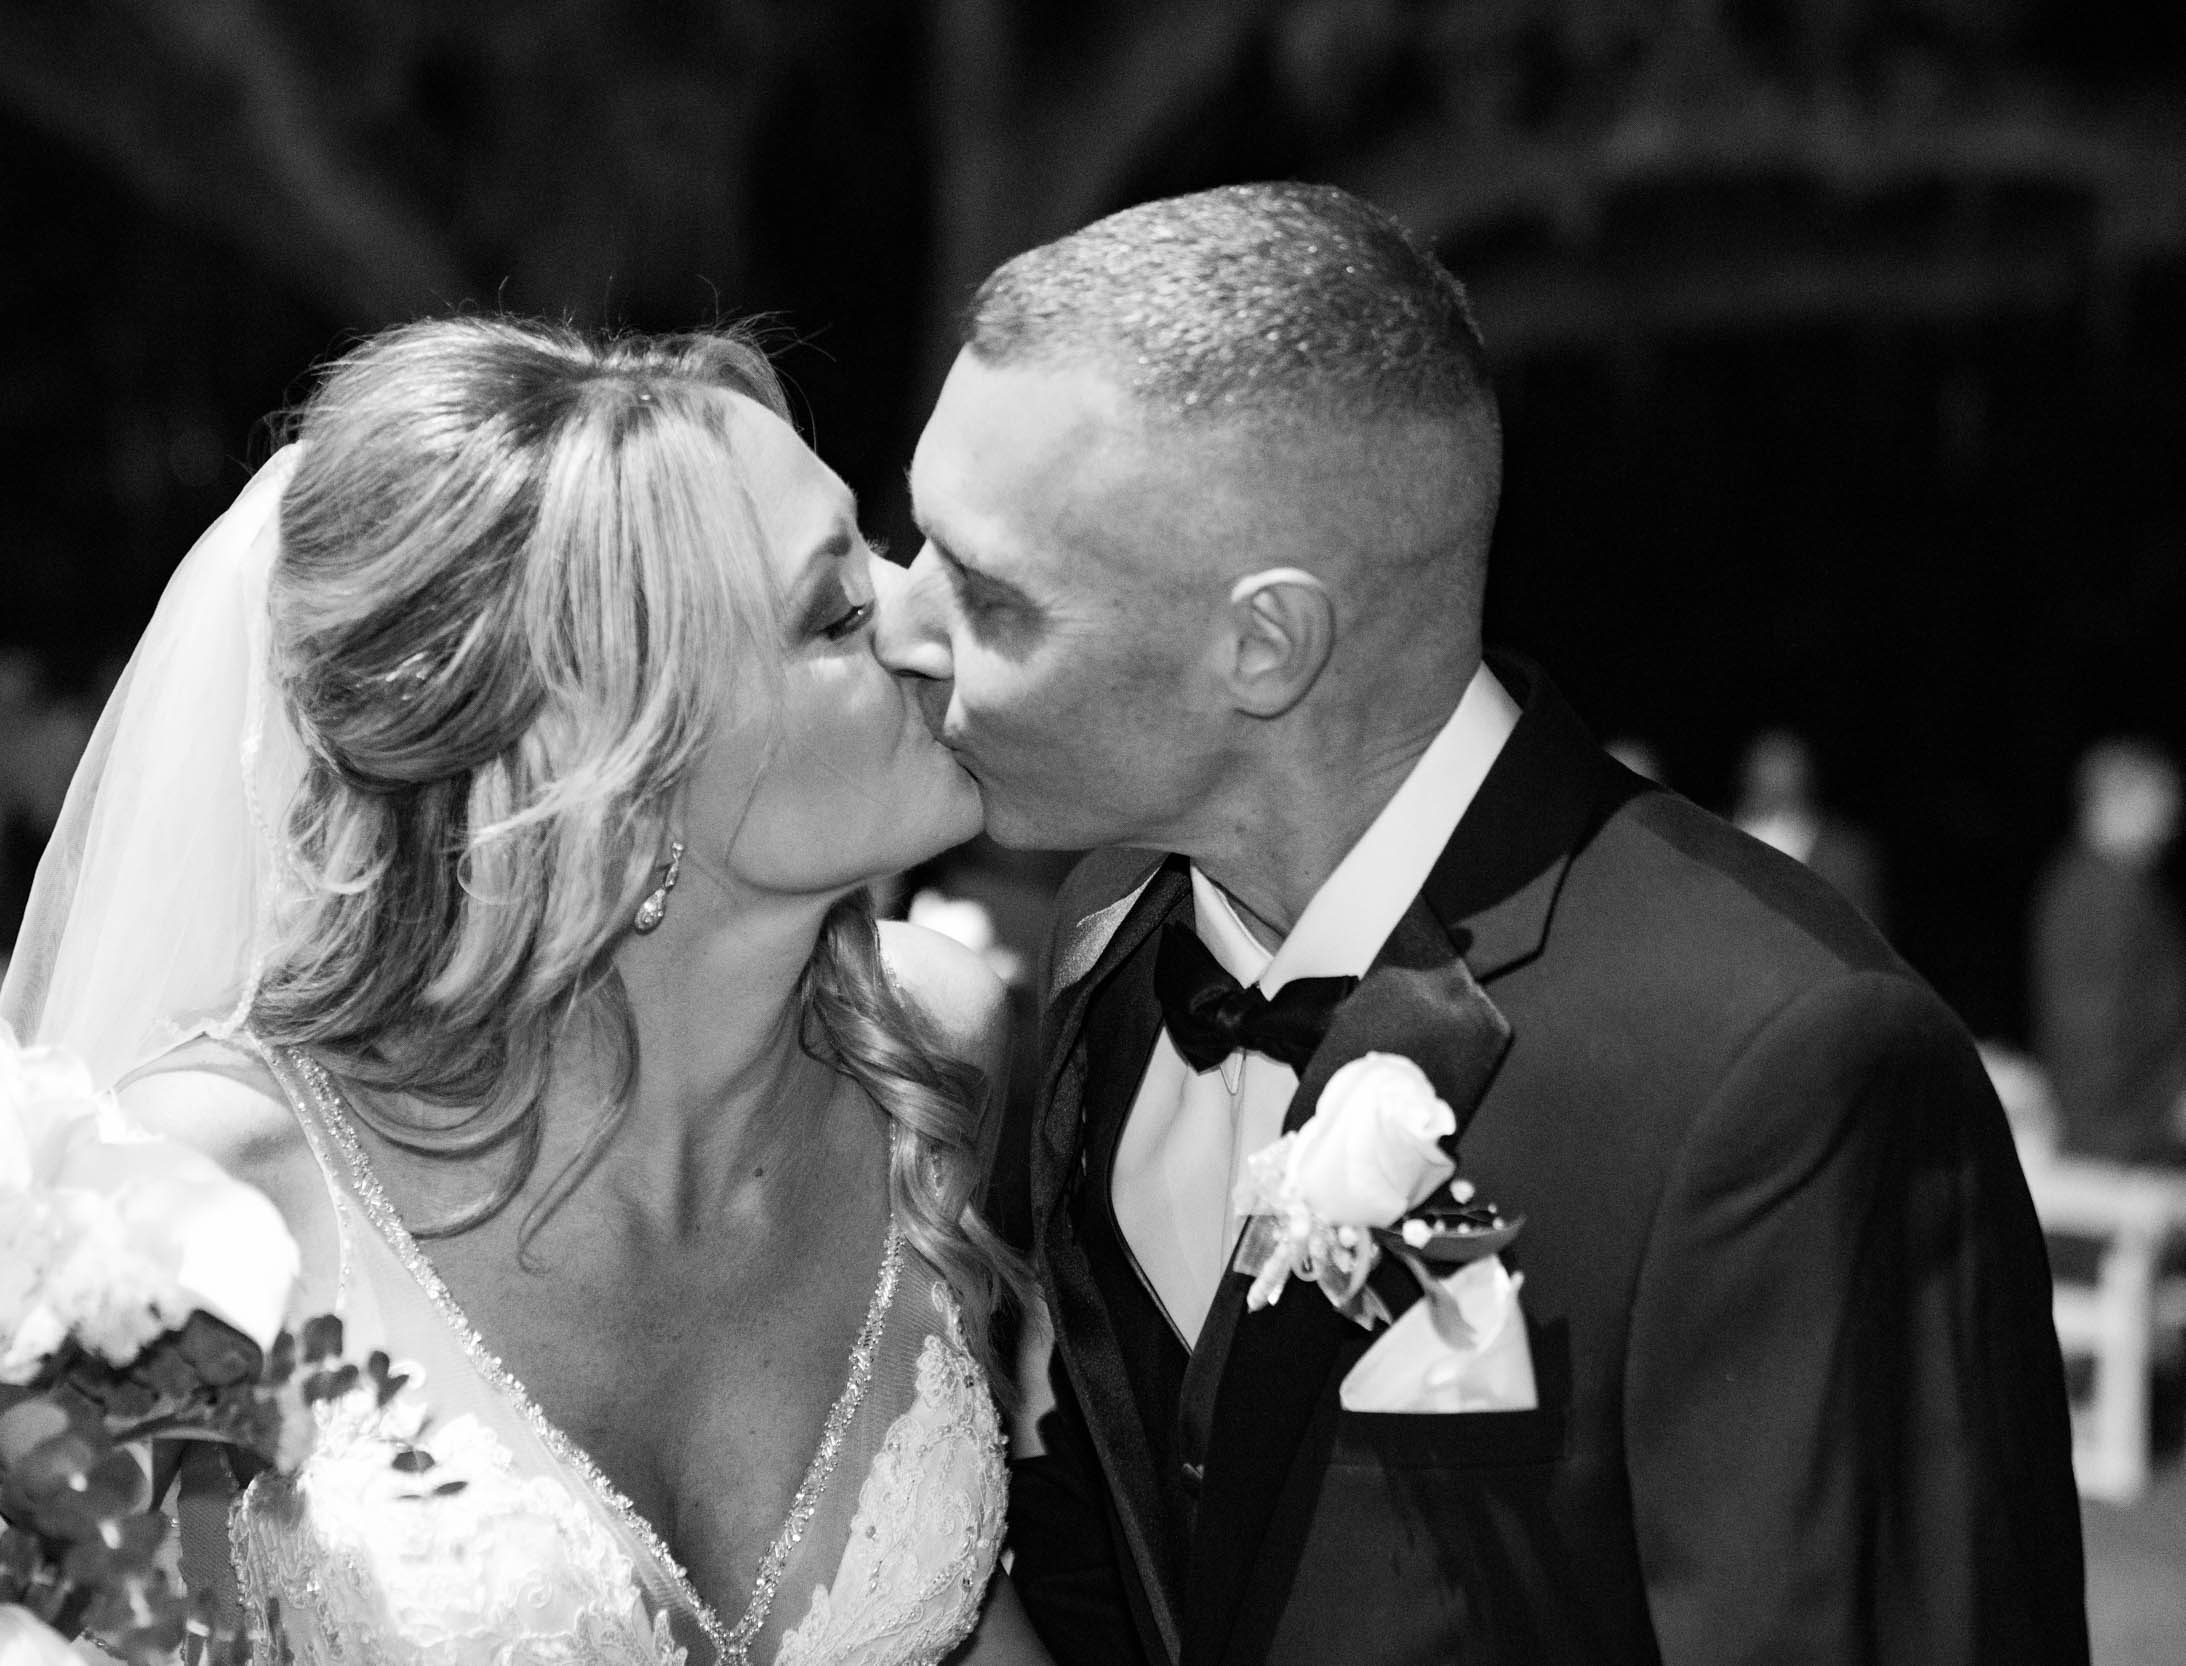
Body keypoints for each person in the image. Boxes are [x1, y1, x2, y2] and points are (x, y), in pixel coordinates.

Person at [876, 183, 2085, 1665]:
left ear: (1263, 646)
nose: (899, 621)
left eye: (990, 598)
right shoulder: (1110, 945)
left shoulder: (1778, 1069)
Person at [1, 319, 1053, 1666]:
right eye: (834, 612)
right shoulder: (214, 1189)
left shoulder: (936, 1055)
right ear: (609, 756)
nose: (925, 615)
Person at [2030, 736, 2186, 1165]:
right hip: (2121, 1130)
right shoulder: (2097, 894)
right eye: (2161, 800)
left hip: (2129, 1119)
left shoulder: (2120, 886)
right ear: (2116, 801)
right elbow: (2095, 1025)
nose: (2172, 821)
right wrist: (2161, 1107)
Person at [1730, 725, 1887, 934]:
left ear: (1805, 775)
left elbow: (1868, 940)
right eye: (1767, 765)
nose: (1774, 776)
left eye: (1785, 766)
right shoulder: (1712, 838)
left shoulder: (1843, 856)